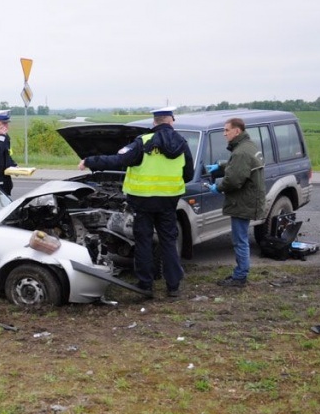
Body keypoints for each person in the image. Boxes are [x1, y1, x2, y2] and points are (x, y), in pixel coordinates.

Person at [77, 107, 193, 297]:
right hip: (168, 202)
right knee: (169, 242)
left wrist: (90, 161)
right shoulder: (182, 144)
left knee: (144, 242)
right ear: (171, 120)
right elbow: (188, 174)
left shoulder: (143, 142)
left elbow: (117, 159)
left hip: (143, 202)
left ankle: (145, 285)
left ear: (154, 122)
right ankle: (173, 287)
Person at [206, 117, 265, 288]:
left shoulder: (240, 151)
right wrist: (221, 165)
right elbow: (240, 165)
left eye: (226, 130)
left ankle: (240, 277)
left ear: (237, 131)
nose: (224, 134)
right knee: (241, 239)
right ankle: (241, 273)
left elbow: (233, 180)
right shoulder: (248, 146)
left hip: (243, 202)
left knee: (240, 240)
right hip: (249, 199)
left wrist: (217, 187)